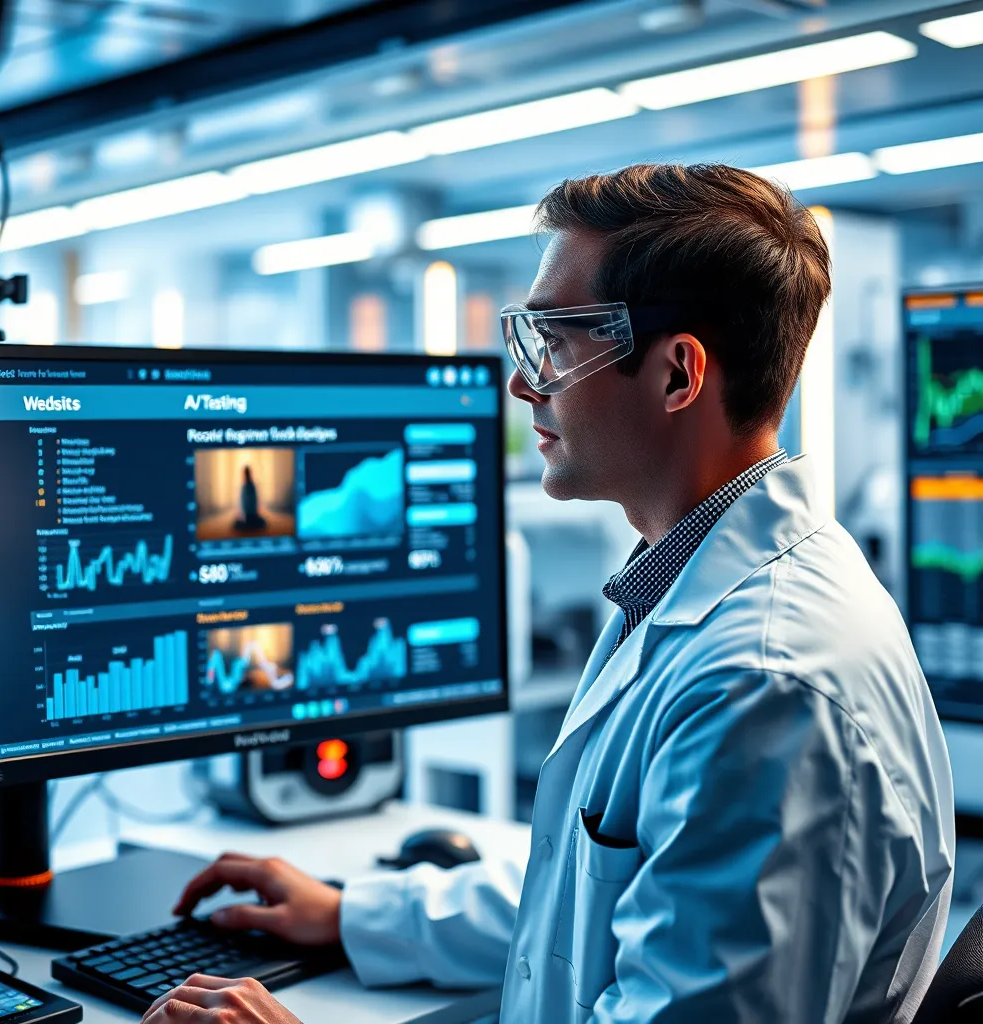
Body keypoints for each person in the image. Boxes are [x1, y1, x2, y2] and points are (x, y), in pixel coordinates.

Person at [149, 164, 955, 1024]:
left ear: (678, 374)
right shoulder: (685, 585)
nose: (522, 384)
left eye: (555, 343)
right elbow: (592, 899)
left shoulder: (764, 684)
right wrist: (355, 916)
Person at [233, 465, 266, 531]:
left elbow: (252, 501)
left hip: (249, 515)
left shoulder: (248, 486)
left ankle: (248, 525)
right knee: (261, 522)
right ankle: (250, 525)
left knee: (237, 524)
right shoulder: (247, 486)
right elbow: (245, 502)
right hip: (249, 516)